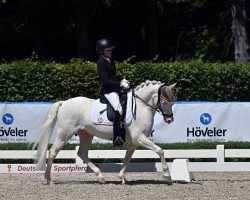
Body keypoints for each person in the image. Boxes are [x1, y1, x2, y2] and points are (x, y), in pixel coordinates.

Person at [95, 38, 130, 147]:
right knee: (119, 109)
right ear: (101, 51)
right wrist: (119, 84)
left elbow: (113, 76)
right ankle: (116, 137)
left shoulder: (110, 59)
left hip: (115, 89)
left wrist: (122, 80)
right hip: (108, 91)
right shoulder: (101, 62)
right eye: (108, 50)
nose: (110, 51)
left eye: (110, 50)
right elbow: (105, 81)